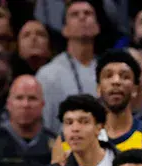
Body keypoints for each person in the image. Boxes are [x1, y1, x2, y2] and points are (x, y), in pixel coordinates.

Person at [38, 0, 103, 134]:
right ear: (65, 30)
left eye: (88, 13)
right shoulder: (48, 74)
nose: (82, 17)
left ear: (97, 27)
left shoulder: (108, 71)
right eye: (74, 14)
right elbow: (45, 126)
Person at [95, 50, 142, 150]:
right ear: (98, 88)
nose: (116, 81)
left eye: (125, 76)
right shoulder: (77, 136)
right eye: (108, 76)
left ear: (135, 89)